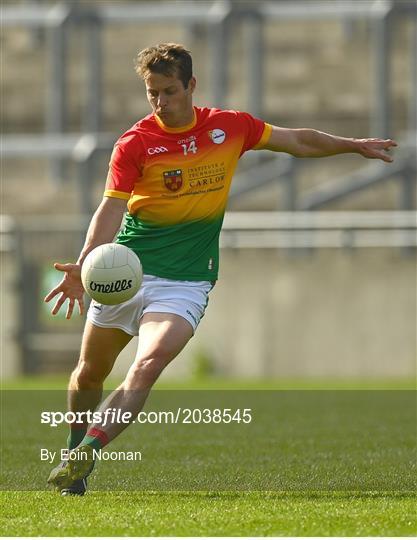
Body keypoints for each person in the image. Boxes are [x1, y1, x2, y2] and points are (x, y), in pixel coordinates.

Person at [46, 42, 397, 495]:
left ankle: (86, 453)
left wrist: (352, 146)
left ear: (191, 85)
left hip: (185, 282)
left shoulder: (229, 127)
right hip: (126, 274)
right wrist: (83, 263)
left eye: (170, 91)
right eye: (152, 93)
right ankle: (73, 444)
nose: (161, 102)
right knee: (88, 374)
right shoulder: (135, 143)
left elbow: (296, 140)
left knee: (148, 363)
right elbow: (109, 210)